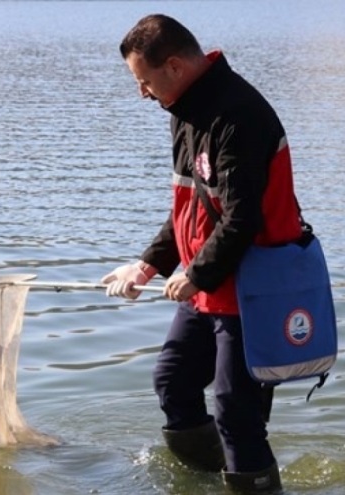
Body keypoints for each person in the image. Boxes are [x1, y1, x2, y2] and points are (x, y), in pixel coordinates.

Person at [102, 14, 309, 494]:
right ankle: (214, 481)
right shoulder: (185, 109)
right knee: (173, 382)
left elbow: (242, 220)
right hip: (207, 288)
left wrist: (196, 274)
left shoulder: (238, 115)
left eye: (144, 81)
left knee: (236, 411)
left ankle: (252, 481)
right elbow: (190, 209)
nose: (142, 93)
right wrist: (147, 266)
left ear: (174, 66)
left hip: (252, 288)